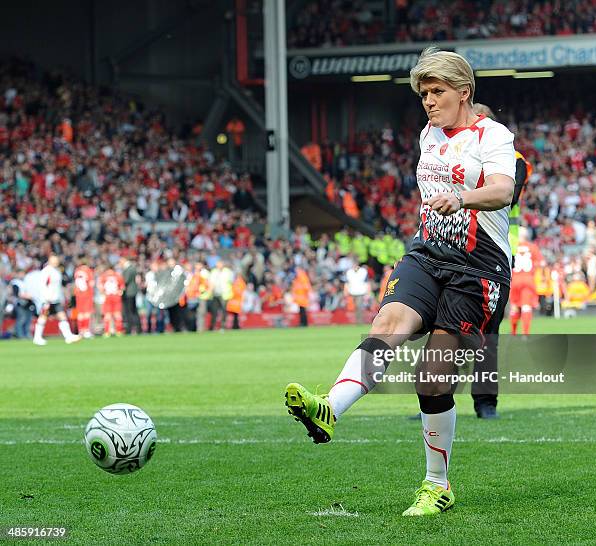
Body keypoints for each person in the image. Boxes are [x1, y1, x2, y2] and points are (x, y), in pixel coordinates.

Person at [284, 48, 516, 516]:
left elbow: (503, 189)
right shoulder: (429, 134)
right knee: (389, 321)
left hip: (479, 268)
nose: (428, 102)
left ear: (463, 92)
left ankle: (437, 485)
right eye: (424, 94)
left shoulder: (493, 135)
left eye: (437, 92)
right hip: (428, 252)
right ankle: (330, 407)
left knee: (431, 379)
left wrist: (463, 198)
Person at [469, 104, 533, 418]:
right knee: (440, 329)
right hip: (452, 245)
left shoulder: (514, 159)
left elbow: (509, 195)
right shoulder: (447, 153)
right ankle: (433, 396)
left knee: (488, 331)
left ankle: (485, 402)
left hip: (493, 248)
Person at [33, 255, 81, 345]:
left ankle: (68, 336)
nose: (56, 262)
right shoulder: (46, 271)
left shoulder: (57, 271)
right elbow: (43, 285)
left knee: (62, 316)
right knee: (43, 317)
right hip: (47, 299)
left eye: (57, 260)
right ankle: (37, 337)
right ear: (50, 261)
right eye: (54, 260)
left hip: (56, 299)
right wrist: (45, 298)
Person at [98, 264, 125, 337]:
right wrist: (119, 292)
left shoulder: (103, 276)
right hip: (116, 297)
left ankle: (107, 332)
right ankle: (119, 331)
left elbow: (100, 287)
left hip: (107, 297)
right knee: (117, 314)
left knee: (107, 315)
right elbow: (122, 287)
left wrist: (104, 293)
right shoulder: (118, 275)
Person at [208, 260, 234, 331]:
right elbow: (211, 282)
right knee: (214, 311)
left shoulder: (228, 272)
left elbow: (231, 282)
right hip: (215, 294)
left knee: (224, 311)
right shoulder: (214, 272)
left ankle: (223, 326)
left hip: (224, 294)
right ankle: (212, 327)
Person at [120, 257, 142, 335]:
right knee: (134, 311)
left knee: (129, 311)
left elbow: (125, 280)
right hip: (132, 292)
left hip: (129, 292)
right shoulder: (132, 268)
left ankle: (130, 329)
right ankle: (138, 328)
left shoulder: (128, 269)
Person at [74, 257, 95, 338]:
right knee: (86, 313)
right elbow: (91, 283)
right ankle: (86, 330)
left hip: (78, 294)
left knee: (80, 313)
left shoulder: (77, 271)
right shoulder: (88, 271)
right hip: (87, 294)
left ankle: (80, 331)